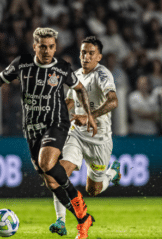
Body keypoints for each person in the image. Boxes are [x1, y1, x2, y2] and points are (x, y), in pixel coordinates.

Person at [0, 27, 97, 239]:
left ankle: (79, 206)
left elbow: (80, 88)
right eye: (43, 47)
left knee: (47, 164)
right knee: (50, 181)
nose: (47, 51)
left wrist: (88, 114)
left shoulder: (62, 68)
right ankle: (83, 218)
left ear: (56, 47)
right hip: (31, 129)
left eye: (51, 47)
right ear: (35, 46)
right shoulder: (22, 63)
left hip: (56, 123)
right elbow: (1, 77)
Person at [48, 36, 121, 238]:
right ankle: (61, 221)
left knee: (93, 190)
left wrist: (90, 116)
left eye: (90, 53)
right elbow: (70, 103)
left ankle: (113, 174)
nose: (86, 56)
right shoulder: (76, 74)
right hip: (77, 134)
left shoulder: (103, 74)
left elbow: (113, 101)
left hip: (99, 139)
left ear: (99, 57)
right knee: (58, 174)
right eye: (83, 52)